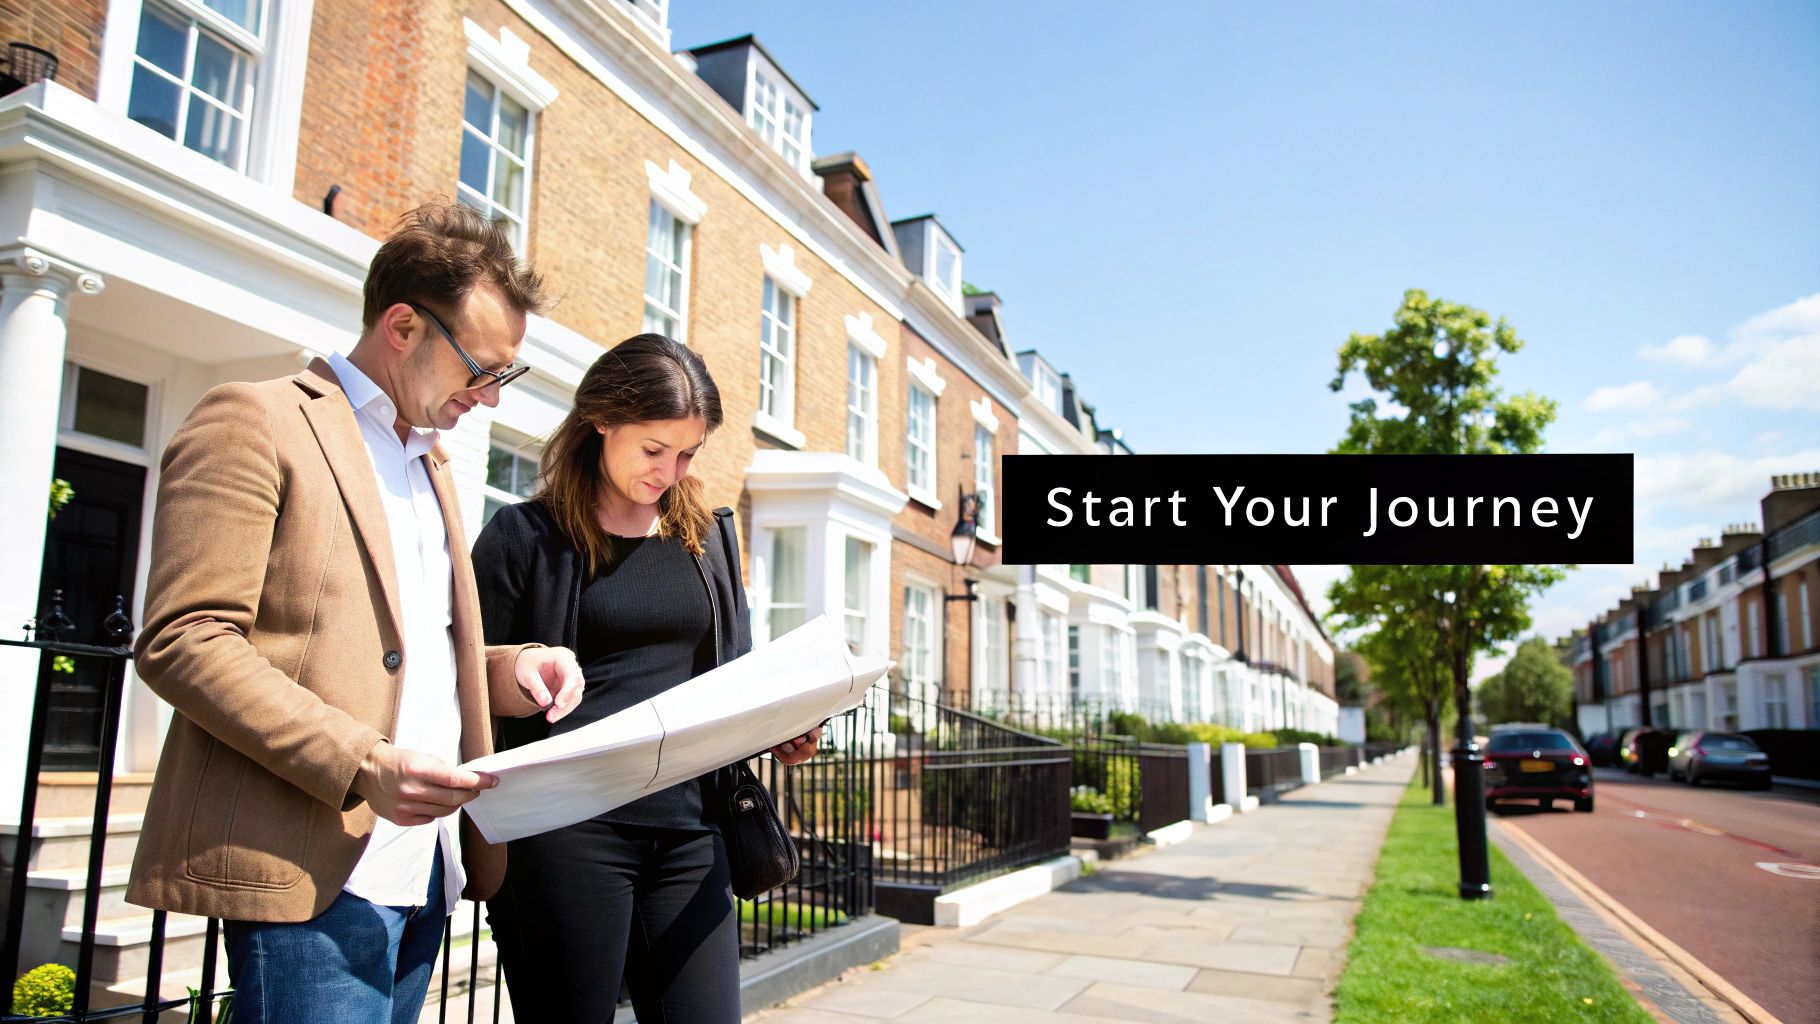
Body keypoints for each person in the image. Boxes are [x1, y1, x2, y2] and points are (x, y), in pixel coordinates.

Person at [125, 203, 587, 1024]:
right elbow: (183, 640)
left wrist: (514, 671)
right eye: (481, 368)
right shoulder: (255, 419)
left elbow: (403, 656)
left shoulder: (432, 463)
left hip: (428, 869)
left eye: (503, 376)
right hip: (312, 868)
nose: (489, 396)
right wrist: (362, 761)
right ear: (403, 325)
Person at [473, 334, 822, 1022]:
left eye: (688, 452)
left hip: (692, 829)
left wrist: (781, 724)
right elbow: (463, 680)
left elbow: (733, 669)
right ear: (601, 420)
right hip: (567, 831)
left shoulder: (709, 536)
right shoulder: (524, 538)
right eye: (653, 450)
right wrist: (524, 670)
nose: (670, 470)